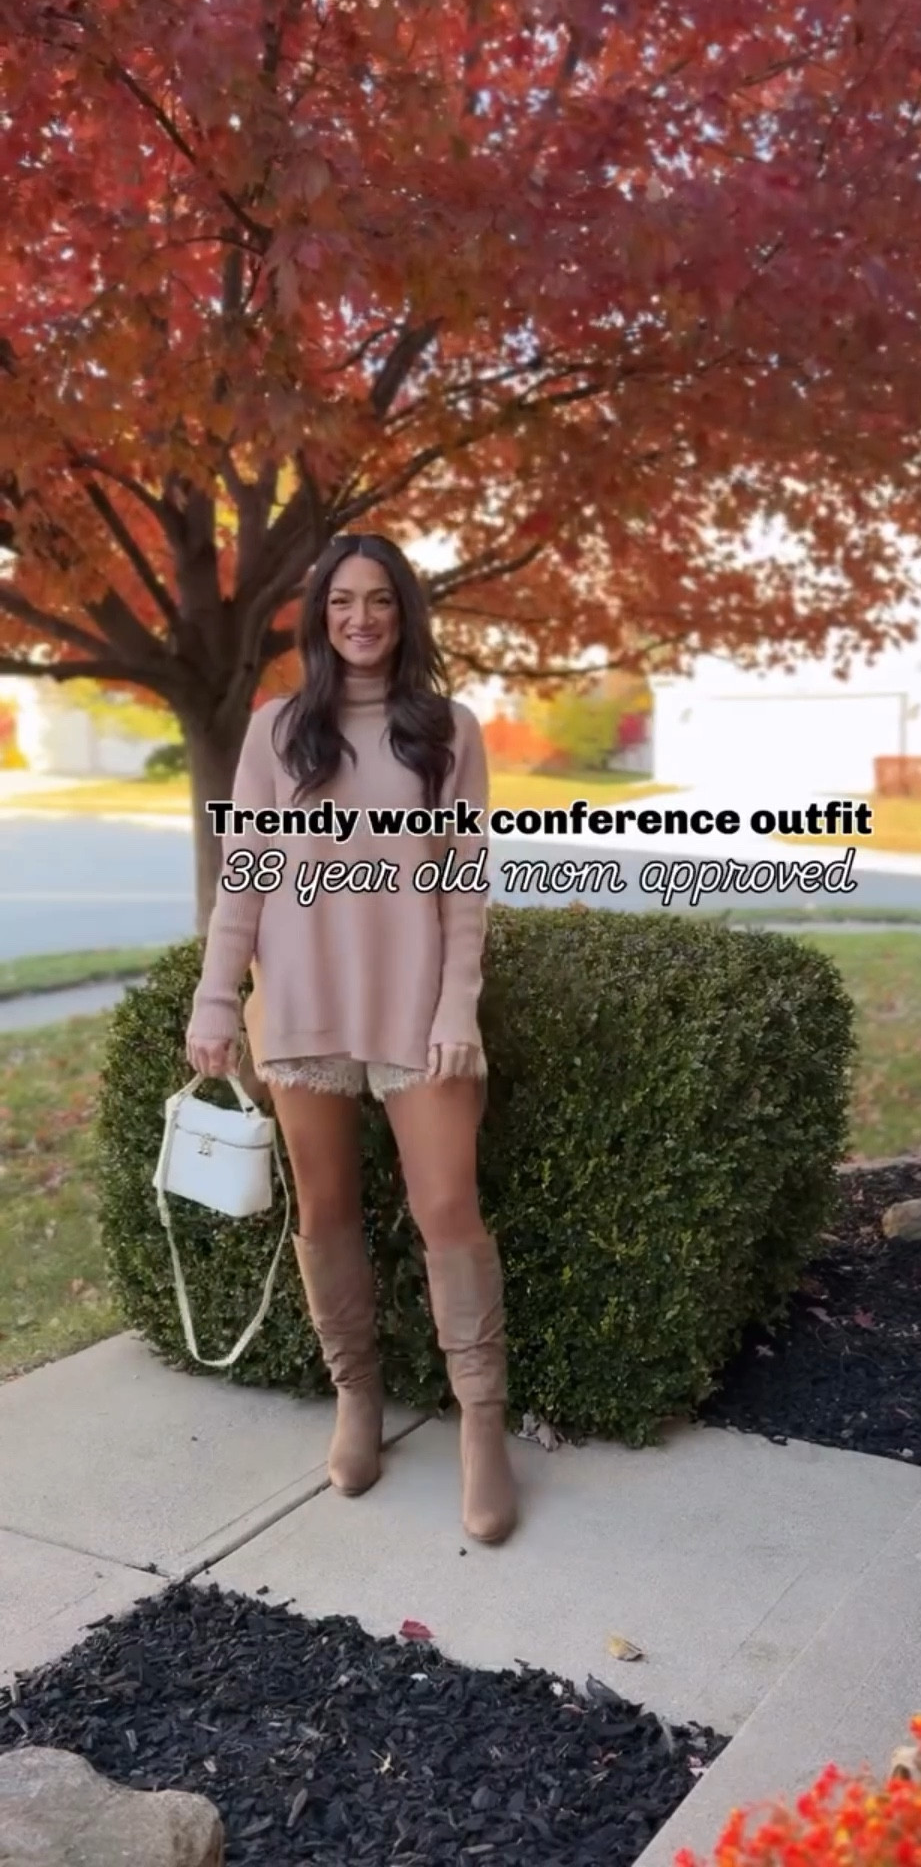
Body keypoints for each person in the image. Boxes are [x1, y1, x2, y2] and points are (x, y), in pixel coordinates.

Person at [184, 532, 516, 1546]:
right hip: (301, 1006)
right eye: (342, 604)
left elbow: (464, 880)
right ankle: (358, 1400)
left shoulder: (447, 731)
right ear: (320, 619)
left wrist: (458, 1004)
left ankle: (480, 1428)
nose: (362, 618)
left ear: (404, 615)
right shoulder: (279, 730)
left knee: (447, 1210)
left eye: (380, 600)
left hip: (418, 1012)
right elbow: (244, 878)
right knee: (325, 1209)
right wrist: (212, 999)